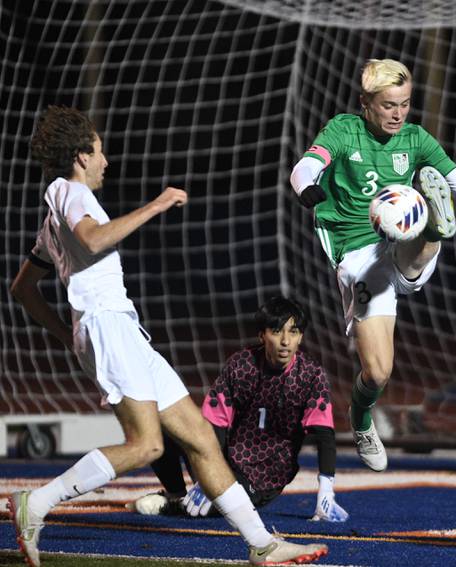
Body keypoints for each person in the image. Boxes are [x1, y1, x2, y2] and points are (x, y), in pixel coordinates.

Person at [8, 106, 327, 566]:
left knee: (199, 437)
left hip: (118, 330)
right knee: (148, 445)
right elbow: (94, 239)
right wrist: (156, 205)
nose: (105, 161)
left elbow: (22, 287)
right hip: (108, 327)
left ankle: (262, 544)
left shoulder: (53, 217)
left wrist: (65, 332)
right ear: (80, 156)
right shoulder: (70, 192)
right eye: (98, 151)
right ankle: (35, 503)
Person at [289, 59, 456, 472]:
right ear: (365, 103)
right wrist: (308, 188)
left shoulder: (415, 138)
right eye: (388, 105)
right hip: (355, 252)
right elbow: (306, 164)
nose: (398, 113)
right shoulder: (343, 130)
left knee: (421, 234)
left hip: (400, 240)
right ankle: (362, 418)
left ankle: (434, 230)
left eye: (404, 104)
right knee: (379, 372)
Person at [130, 297, 348, 523]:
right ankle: (176, 492)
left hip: (265, 477)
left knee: (214, 509)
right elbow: (215, 425)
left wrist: (326, 492)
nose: (285, 341)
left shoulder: (310, 376)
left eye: (293, 332)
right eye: (276, 331)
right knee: (162, 425)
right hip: (223, 458)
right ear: (262, 335)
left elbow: (324, 435)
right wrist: (210, 475)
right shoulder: (242, 365)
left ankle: (172, 506)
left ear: (301, 336)